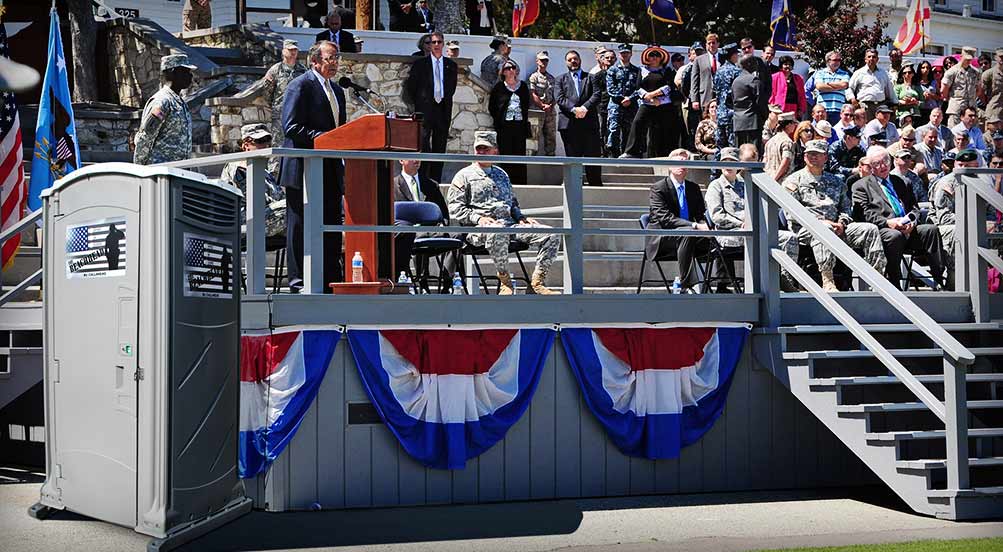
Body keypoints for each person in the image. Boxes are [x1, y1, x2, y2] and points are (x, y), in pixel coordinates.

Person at [447, 131, 560, 295]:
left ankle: (537, 283)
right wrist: (479, 218)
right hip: (479, 231)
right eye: (479, 149)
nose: (482, 152)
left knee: (551, 235)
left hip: (509, 226)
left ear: (495, 151)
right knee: (497, 231)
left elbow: (511, 203)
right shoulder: (463, 176)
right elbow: (455, 208)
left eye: (486, 149)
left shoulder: (502, 174)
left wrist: (521, 217)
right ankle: (505, 282)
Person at [279, 41, 347, 293]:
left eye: (337, 58)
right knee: (299, 226)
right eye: (330, 58)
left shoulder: (338, 91)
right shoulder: (300, 85)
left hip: (329, 168)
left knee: (330, 222)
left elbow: (342, 130)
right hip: (302, 166)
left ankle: (330, 279)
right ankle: (298, 282)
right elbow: (291, 126)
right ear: (314, 61)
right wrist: (324, 138)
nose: (335, 62)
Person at [786, 140, 886, 291]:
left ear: (825, 158)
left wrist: (842, 222)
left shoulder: (835, 181)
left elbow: (846, 207)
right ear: (804, 157)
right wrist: (820, 222)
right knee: (823, 229)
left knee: (869, 229)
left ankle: (877, 279)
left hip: (837, 227)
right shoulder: (794, 181)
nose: (813, 157)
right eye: (809, 154)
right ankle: (828, 280)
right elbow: (791, 212)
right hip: (806, 229)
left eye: (817, 154)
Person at [852, 147, 945, 289]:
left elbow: (914, 208)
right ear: (870, 166)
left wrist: (912, 221)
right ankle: (894, 285)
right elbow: (864, 214)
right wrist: (888, 223)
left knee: (930, 230)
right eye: (877, 163)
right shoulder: (861, 186)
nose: (883, 166)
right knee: (894, 236)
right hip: (882, 230)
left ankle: (939, 280)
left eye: (885, 161)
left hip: (908, 228)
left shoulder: (902, 182)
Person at [705, 145, 800, 269]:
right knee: (758, 238)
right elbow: (717, 216)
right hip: (730, 232)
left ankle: (784, 278)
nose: (729, 165)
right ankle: (769, 280)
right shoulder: (716, 186)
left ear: (739, 165)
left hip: (754, 230)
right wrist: (741, 224)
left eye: (733, 162)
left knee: (790, 238)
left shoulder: (746, 184)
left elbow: (759, 207)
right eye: (725, 162)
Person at [644, 148, 723, 291]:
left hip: (689, 236)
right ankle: (686, 285)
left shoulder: (693, 188)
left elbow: (700, 214)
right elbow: (665, 219)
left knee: (722, 237)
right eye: (678, 162)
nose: (682, 166)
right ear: (669, 166)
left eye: (685, 162)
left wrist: (705, 225)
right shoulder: (658, 189)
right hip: (663, 237)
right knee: (688, 232)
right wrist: (695, 226)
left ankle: (721, 283)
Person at [404, 31, 457, 184]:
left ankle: (436, 180)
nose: (436, 45)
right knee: (424, 144)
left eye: (439, 42)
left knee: (440, 146)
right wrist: (421, 102)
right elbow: (411, 87)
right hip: (425, 110)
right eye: (433, 42)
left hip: (442, 110)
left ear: (443, 44)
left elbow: (451, 88)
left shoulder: (450, 65)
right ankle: (423, 179)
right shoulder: (421, 64)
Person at [220, 124, 286, 239]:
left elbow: (279, 196)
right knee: (294, 206)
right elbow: (257, 202)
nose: (266, 145)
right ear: (246, 145)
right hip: (246, 223)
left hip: (267, 219)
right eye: (260, 141)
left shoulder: (264, 172)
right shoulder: (238, 168)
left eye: (268, 140)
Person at [134, 54, 196, 165]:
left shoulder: (180, 102)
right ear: (172, 73)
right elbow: (146, 136)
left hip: (179, 171)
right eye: (185, 72)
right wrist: (140, 169)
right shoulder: (162, 102)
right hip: (160, 173)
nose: (190, 76)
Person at [393, 158, 450, 276]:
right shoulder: (392, 185)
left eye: (419, 157)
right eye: (412, 157)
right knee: (410, 233)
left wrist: (443, 225)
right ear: (401, 160)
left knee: (458, 235)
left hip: (431, 230)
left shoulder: (431, 185)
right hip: (407, 232)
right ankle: (418, 279)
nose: (416, 160)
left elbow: (444, 213)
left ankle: (448, 281)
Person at [555, 50, 604, 186]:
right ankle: (573, 185)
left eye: (575, 58)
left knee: (593, 158)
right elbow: (559, 98)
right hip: (569, 125)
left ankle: (595, 185)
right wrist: (574, 109)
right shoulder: (560, 79)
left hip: (589, 124)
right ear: (566, 62)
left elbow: (597, 95)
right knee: (572, 159)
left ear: (580, 60)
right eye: (570, 59)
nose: (573, 61)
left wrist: (584, 108)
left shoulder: (591, 77)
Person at [620, 46, 677, 159]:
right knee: (637, 123)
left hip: (663, 104)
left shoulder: (667, 70)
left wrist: (654, 95)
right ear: (647, 58)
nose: (654, 58)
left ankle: (665, 154)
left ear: (661, 58)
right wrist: (649, 97)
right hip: (647, 103)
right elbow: (638, 87)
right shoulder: (642, 70)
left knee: (662, 129)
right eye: (652, 55)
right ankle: (631, 152)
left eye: (657, 55)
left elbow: (669, 86)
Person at [263, 40, 307, 179]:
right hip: (280, 116)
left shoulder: (303, 70)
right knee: (277, 146)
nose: (293, 52)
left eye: (295, 50)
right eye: (290, 50)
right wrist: (276, 107)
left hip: (298, 115)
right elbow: (267, 92)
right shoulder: (275, 70)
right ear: (283, 52)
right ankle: (274, 177)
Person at [489, 59, 531, 184]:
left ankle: (521, 183)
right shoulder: (499, 87)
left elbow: (526, 105)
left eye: (513, 67)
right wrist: (499, 120)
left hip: (519, 126)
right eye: (508, 68)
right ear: (503, 72)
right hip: (504, 127)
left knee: (519, 155)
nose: (511, 70)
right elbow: (492, 107)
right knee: (506, 155)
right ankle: (506, 182)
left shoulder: (522, 86)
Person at [606, 43, 642, 158]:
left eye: (627, 53)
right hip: (616, 105)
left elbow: (639, 88)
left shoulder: (637, 70)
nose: (625, 55)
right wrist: (622, 99)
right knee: (614, 130)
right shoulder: (612, 70)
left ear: (631, 54)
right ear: (619, 54)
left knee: (629, 131)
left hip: (631, 106)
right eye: (622, 53)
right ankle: (613, 155)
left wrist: (630, 99)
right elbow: (610, 89)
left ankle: (627, 154)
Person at [848, 48, 897, 120]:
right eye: (869, 57)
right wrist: (852, 99)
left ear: (877, 59)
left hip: (881, 106)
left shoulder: (884, 73)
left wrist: (894, 104)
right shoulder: (858, 73)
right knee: (865, 128)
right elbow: (850, 88)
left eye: (874, 57)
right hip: (865, 106)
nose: (871, 59)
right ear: (865, 59)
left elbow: (889, 90)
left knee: (880, 128)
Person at [731, 54, 768, 150]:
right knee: (753, 153)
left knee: (740, 153)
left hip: (738, 122)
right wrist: (765, 116)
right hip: (753, 122)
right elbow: (760, 102)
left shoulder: (736, 81)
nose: (757, 65)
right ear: (749, 64)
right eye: (755, 62)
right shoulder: (754, 80)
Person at [941, 46, 982, 127]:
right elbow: (944, 90)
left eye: (970, 59)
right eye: (966, 59)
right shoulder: (952, 71)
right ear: (961, 56)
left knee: (972, 133)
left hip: (971, 108)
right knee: (955, 134)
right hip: (957, 108)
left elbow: (978, 90)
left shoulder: (976, 72)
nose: (968, 61)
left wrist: (972, 98)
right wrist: (953, 99)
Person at [676, 42, 705, 149]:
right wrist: (692, 98)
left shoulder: (707, 66)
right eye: (695, 53)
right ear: (690, 56)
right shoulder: (687, 69)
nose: (698, 55)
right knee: (691, 129)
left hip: (705, 103)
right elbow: (682, 85)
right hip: (691, 103)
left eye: (700, 53)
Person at [528, 51, 557, 156]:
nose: (544, 62)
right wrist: (542, 105)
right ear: (537, 61)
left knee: (551, 138)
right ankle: (531, 159)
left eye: (546, 60)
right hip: (536, 111)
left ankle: (551, 160)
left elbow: (556, 95)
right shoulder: (533, 77)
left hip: (550, 112)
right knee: (533, 137)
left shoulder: (552, 78)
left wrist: (551, 106)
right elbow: (532, 93)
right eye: (541, 60)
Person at [714, 43, 741, 149]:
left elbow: (715, 90)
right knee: (732, 147)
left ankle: (716, 166)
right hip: (732, 113)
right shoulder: (736, 71)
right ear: (732, 55)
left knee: (720, 145)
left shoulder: (719, 71)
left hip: (720, 112)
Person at [689, 33, 720, 124]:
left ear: (718, 44)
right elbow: (694, 80)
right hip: (705, 96)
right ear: (706, 45)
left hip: (721, 96)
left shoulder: (724, 58)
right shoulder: (699, 60)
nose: (711, 45)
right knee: (705, 122)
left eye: (713, 43)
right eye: (709, 43)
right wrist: (694, 100)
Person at [812, 51, 851, 126]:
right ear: (828, 61)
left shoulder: (844, 73)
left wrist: (828, 84)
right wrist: (838, 87)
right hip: (823, 110)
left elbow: (844, 85)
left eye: (839, 60)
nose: (838, 62)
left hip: (838, 109)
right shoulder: (820, 73)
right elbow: (819, 86)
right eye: (835, 60)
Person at [593, 48, 616, 156]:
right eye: (607, 58)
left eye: (612, 58)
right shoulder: (597, 75)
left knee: (614, 131)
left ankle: (614, 153)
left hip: (617, 107)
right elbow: (595, 93)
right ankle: (602, 153)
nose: (609, 60)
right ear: (602, 60)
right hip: (601, 108)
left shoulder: (619, 73)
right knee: (601, 131)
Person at [763, 111, 797, 183]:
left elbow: (764, 161)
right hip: (783, 181)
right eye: (794, 123)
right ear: (788, 125)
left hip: (768, 178)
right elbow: (785, 161)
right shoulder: (787, 141)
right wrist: (774, 180)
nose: (795, 126)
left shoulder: (770, 141)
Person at [770, 55, 806, 121]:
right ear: (781, 66)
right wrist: (772, 108)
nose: (788, 66)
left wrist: (801, 109)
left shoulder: (798, 78)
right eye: (785, 64)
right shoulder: (774, 77)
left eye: (790, 65)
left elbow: (802, 95)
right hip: (779, 108)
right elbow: (772, 93)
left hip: (793, 108)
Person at [982, 49, 1003, 130]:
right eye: (1000, 57)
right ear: (996, 58)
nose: (1002, 59)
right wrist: (988, 103)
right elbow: (981, 92)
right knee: (992, 137)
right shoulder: (989, 73)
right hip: (994, 111)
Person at [917, 60, 940, 126]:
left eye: (927, 68)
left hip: (932, 110)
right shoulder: (916, 82)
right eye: (923, 67)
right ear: (919, 69)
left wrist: (931, 95)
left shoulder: (934, 82)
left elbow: (939, 97)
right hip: (921, 110)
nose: (925, 69)